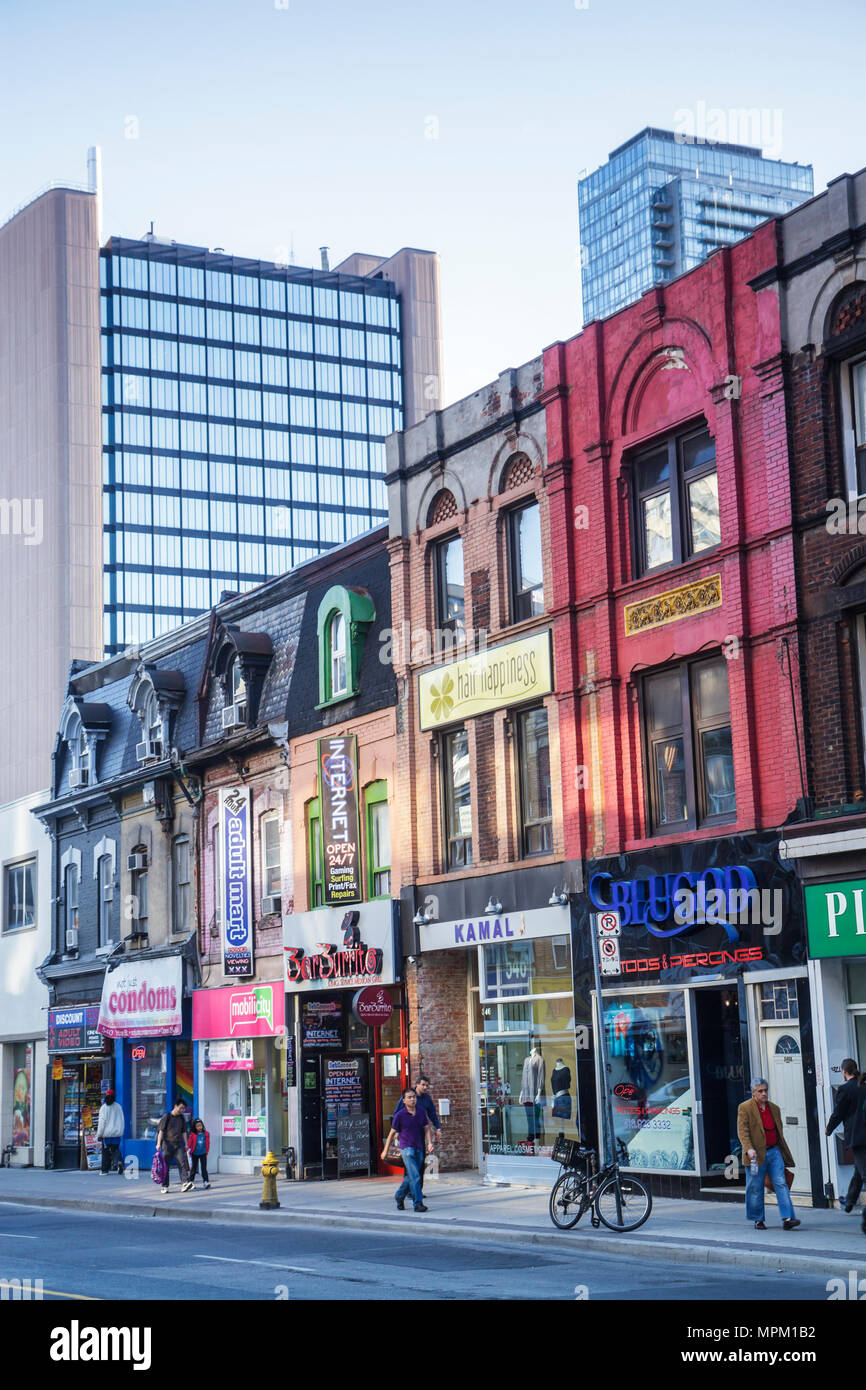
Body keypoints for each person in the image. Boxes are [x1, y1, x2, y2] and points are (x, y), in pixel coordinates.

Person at [737, 1076, 800, 1231]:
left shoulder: (774, 1108)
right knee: (755, 1186)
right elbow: (743, 1131)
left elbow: (778, 1132)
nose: (764, 1094)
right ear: (753, 1092)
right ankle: (757, 1219)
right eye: (760, 1091)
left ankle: (788, 1218)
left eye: (765, 1090)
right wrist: (749, 1148)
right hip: (755, 1154)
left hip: (773, 1151)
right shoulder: (745, 1108)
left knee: (781, 1183)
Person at [825, 1057, 866, 1227]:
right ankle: (849, 1201)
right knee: (859, 1170)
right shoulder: (863, 1085)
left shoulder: (845, 1090)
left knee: (863, 1172)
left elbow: (839, 1113)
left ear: (843, 1071)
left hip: (858, 1137)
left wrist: (829, 1128)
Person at [380, 1087, 434, 1213]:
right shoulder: (399, 1115)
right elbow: (391, 1134)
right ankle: (418, 1203)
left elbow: (426, 1128)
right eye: (409, 1097)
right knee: (415, 1177)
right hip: (406, 1149)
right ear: (403, 1100)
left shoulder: (421, 1112)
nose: (412, 1099)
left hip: (419, 1147)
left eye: (414, 1097)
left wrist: (430, 1142)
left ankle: (399, 1196)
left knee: (411, 1176)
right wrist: (385, 1151)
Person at [394, 1075, 442, 1195]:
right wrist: (397, 1131)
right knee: (410, 1166)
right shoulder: (408, 1097)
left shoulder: (427, 1099)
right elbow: (397, 1114)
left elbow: (432, 1114)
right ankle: (412, 1193)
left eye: (427, 1085)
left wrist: (438, 1128)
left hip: (420, 1135)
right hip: (407, 1135)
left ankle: (417, 1190)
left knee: (420, 1165)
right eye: (423, 1085)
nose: (425, 1087)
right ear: (417, 1085)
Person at [156, 1097, 192, 1194]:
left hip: (178, 1144)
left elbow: (184, 1131)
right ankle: (165, 1186)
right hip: (167, 1144)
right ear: (175, 1106)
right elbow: (161, 1131)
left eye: (183, 1108)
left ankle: (185, 1183)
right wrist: (159, 1143)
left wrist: (186, 1143)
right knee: (165, 1166)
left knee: (182, 1163)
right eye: (180, 1108)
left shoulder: (181, 1118)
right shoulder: (166, 1117)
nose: (182, 1110)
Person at [96, 1090, 125, 1175]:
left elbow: (102, 1122)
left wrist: (99, 1134)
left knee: (105, 1152)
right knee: (115, 1149)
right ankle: (119, 1161)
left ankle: (105, 1170)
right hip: (116, 1133)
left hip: (106, 1134)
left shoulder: (104, 1108)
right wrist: (121, 1131)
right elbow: (122, 1120)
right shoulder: (118, 1107)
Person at [187, 1118, 211, 1189]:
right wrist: (187, 1147)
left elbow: (207, 1143)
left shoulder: (206, 1134)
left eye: (200, 1125)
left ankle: (206, 1182)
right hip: (194, 1153)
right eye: (197, 1126)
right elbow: (189, 1143)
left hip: (203, 1153)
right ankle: (190, 1182)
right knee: (193, 1168)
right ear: (194, 1127)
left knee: (204, 1168)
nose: (199, 1127)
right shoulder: (192, 1134)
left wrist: (207, 1151)